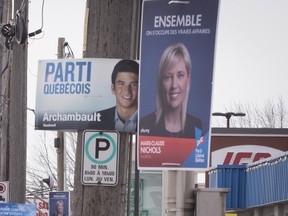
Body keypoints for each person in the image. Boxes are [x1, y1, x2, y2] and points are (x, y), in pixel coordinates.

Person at [140, 43, 202, 138]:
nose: (174, 85)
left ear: (188, 80)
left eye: (180, 75)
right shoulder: (145, 124)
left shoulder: (197, 126)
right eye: (168, 77)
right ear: (161, 82)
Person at [88, 59, 139, 132]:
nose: (127, 90)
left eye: (134, 85)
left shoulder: (151, 122)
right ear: (113, 88)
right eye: (121, 84)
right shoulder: (97, 119)